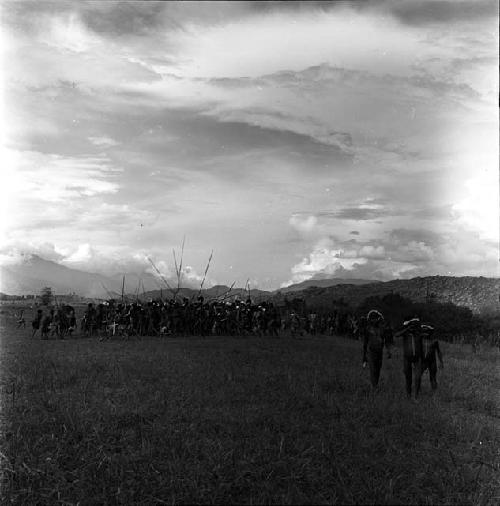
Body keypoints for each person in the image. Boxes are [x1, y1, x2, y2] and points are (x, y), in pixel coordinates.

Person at [394, 317, 425, 399]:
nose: (413, 327)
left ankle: (416, 396)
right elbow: (396, 335)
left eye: (414, 325)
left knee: (418, 377)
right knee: (408, 377)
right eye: (412, 325)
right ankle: (408, 395)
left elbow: (421, 347)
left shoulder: (418, 334)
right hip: (407, 358)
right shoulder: (405, 334)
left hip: (417, 358)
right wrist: (407, 329)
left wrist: (423, 360)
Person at [361, 310, 393, 388]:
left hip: (379, 352)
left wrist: (388, 351)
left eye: (375, 318)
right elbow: (365, 343)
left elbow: (387, 341)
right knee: (373, 369)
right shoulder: (368, 329)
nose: (374, 320)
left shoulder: (382, 329)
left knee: (378, 369)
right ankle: (374, 386)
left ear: (378, 319)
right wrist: (364, 357)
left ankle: (375, 384)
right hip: (370, 352)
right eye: (372, 318)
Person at [421, 324, 444, 391]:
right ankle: (417, 392)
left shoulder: (434, 341)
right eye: (425, 331)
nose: (426, 333)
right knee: (418, 376)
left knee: (433, 377)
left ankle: (435, 393)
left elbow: (439, 352)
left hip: (432, 361)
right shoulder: (420, 340)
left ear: (431, 332)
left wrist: (441, 362)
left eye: (428, 331)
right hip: (422, 361)